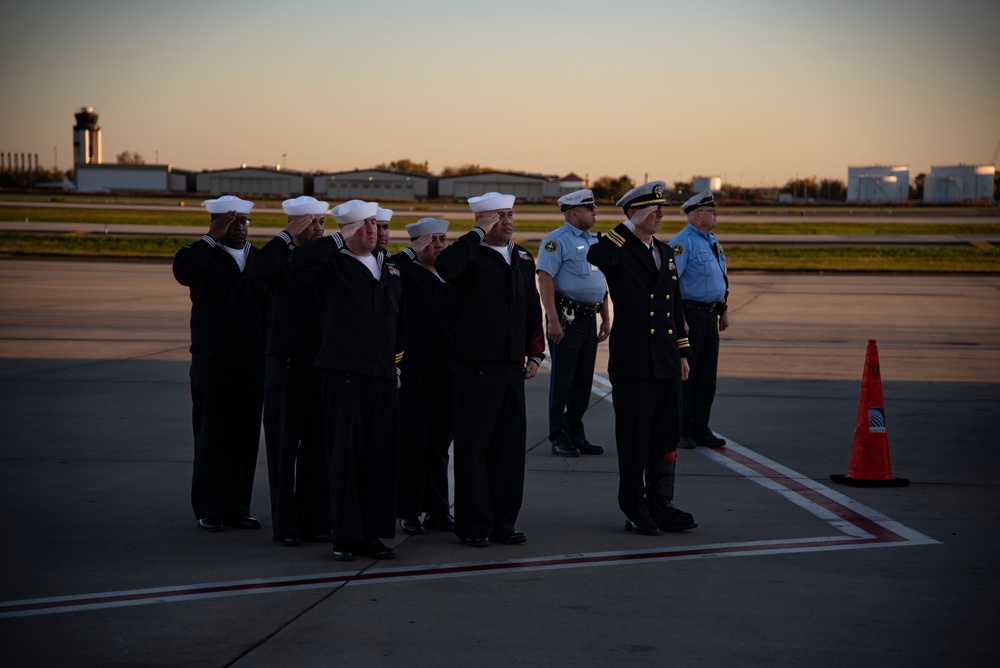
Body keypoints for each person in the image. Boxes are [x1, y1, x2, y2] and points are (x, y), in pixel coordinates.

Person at [290, 199, 406, 562]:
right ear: (346, 231)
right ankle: (344, 536)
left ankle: (372, 535)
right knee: (345, 460)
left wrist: (397, 366)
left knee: (379, 461)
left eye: (374, 224)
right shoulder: (332, 265)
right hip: (345, 377)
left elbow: (399, 324)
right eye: (363, 226)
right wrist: (338, 241)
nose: (373, 230)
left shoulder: (389, 267)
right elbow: (297, 264)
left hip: (384, 378)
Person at [435, 192, 545, 547]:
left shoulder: (523, 258)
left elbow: (532, 308)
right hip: (475, 367)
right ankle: (474, 524)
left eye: (510, 214)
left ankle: (503, 522)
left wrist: (534, 355)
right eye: (499, 216)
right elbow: (445, 265)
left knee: (509, 449)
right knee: (474, 449)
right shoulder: (469, 255)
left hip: (511, 368)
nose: (508, 221)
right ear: (482, 220)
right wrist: (477, 234)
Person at [586, 181, 697, 536]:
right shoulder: (619, 250)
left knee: (665, 438)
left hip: (665, 361)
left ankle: (660, 504)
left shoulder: (665, 253)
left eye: (661, 209)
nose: (660, 215)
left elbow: (674, 306)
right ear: (635, 214)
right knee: (634, 441)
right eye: (653, 210)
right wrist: (628, 225)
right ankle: (634, 508)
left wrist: (682, 352)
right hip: (634, 362)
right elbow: (597, 256)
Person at [172, 195, 266, 533]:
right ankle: (210, 508)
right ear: (216, 223)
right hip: (213, 359)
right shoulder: (200, 255)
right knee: (211, 434)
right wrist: (211, 237)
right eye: (231, 222)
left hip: (252, 359)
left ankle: (238, 507)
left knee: (244, 436)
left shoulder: (258, 259)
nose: (239, 228)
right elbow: (184, 273)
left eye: (243, 221)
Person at [254, 196, 330, 546]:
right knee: (284, 448)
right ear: (295, 223)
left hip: (320, 362)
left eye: (321, 222)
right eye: (312, 222)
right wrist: (287, 236)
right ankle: (286, 525)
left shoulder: (325, 256)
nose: (319, 228)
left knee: (317, 447)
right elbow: (257, 271)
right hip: (285, 363)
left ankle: (314, 520)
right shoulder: (278, 257)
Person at [393, 218, 457, 535]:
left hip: (448, 371)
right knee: (414, 443)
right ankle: (409, 511)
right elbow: (386, 269)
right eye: (432, 241)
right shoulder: (405, 273)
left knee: (439, 445)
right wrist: (409, 252)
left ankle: (437, 510)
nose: (440, 246)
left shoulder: (450, 274)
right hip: (416, 371)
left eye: (443, 240)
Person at [536, 188, 611, 457]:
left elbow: (601, 280)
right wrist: (553, 320)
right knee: (563, 380)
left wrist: (606, 316)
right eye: (590, 209)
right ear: (574, 212)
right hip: (566, 319)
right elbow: (545, 279)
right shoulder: (556, 241)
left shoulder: (595, 241)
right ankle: (558, 435)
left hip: (590, 318)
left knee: (582, 381)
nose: (594, 213)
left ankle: (575, 431)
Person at [670, 190, 730, 449]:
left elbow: (720, 277)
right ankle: (682, 431)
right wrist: (679, 318)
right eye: (711, 211)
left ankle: (701, 428)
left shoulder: (711, 240)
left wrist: (723, 308)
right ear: (696, 215)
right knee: (688, 376)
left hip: (709, 314)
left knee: (707, 377)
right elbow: (672, 284)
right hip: (690, 315)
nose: (716, 214)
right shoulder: (683, 243)